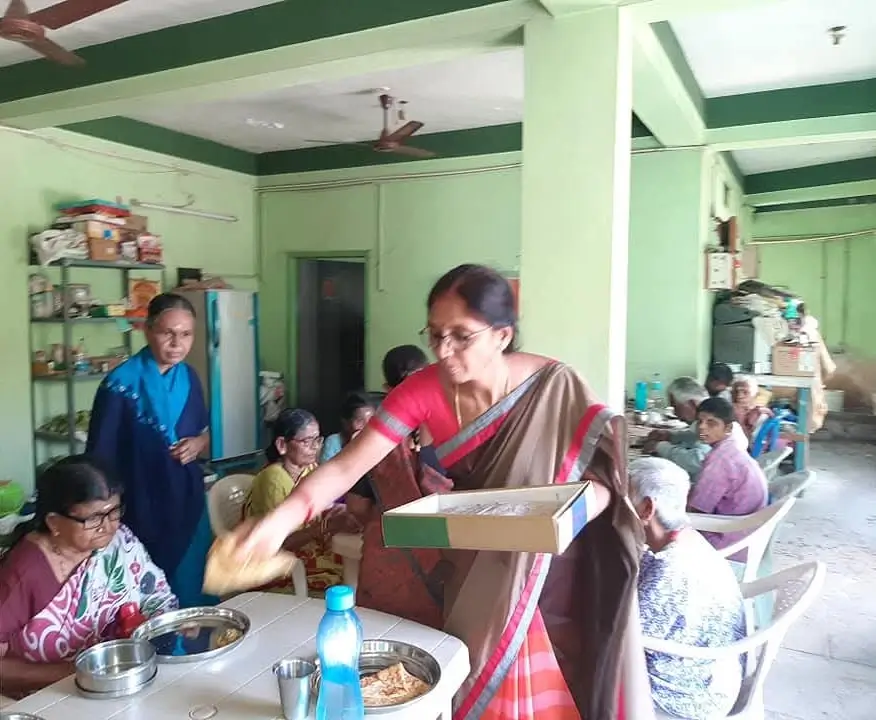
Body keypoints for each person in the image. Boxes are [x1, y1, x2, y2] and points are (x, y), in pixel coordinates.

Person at [229, 264, 652, 720]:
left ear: (502, 335)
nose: (444, 351)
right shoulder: (424, 391)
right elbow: (345, 467)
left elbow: (606, 480)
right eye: (435, 336)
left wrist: (564, 516)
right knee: (480, 671)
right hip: (480, 552)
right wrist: (277, 522)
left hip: (552, 559)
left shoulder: (552, 385)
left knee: (548, 673)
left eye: (461, 336)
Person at [0, 456, 177, 699]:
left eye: (114, 511)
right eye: (93, 518)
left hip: (116, 681)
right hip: (46, 699)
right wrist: (73, 673)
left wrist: (167, 625)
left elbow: (155, 595)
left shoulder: (119, 541)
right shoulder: (25, 572)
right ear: (54, 522)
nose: (108, 526)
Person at [87, 292, 214, 608]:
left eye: (186, 334)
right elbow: (99, 459)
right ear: (147, 330)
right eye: (166, 333)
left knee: (191, 583)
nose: (176, 343)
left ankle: (193, 650)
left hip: (186, 498)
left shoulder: (189, 378)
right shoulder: (120, 385)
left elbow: (204, 433)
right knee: (147, 588)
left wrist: (198, 444)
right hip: (141, 504)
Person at [630, 458, 745, 720]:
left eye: (621, 503)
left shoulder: (669, 570)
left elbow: (618, 642)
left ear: (647, 508)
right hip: (717, 673)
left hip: (693, 696)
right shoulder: (687, 539)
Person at [352, 345, 452, 627]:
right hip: (445, 566)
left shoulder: (374, 440)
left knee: (382, 645)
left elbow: (357, 506)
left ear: (387, 388)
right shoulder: (454, 432)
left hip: (387, 569)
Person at [244, 408, 358, 593]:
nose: (315, 447)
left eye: (318, 440)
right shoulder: (273, 479)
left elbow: (322, 507)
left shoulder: (309, 469)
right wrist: (322, 528)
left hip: (310, 551)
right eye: (307, 441)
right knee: (347, 578)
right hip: (278, 561)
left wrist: (335, 512)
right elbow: (279, 543)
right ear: (282, 444)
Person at [689, 397, 768, 552]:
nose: (702, 428)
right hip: (745, 534)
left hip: (728, 542)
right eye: (700, 422)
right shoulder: (731, 448)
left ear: (728, 428)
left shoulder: (721, 460)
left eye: (711, 423)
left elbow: (697, 511)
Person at [644, 377, 747, 482]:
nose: (675, 414)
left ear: (692, 404)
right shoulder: (708, 415)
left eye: (676, 407)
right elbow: (694, 436)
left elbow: (698, 461)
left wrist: (660, 447)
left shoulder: (713, 422)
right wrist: (670, 435)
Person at [319, 392, 376, 464]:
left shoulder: (375, 440)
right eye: (360, 421)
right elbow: (327, 473)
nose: (366, 426)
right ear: (345, 423)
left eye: (371, 420)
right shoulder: (333, 442)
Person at [731, 376, 773, 442]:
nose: (739, 396)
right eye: (736, 392)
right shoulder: (729, 409)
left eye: (745, 392)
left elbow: (749, 442)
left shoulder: (761, 415)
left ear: (754, 395)